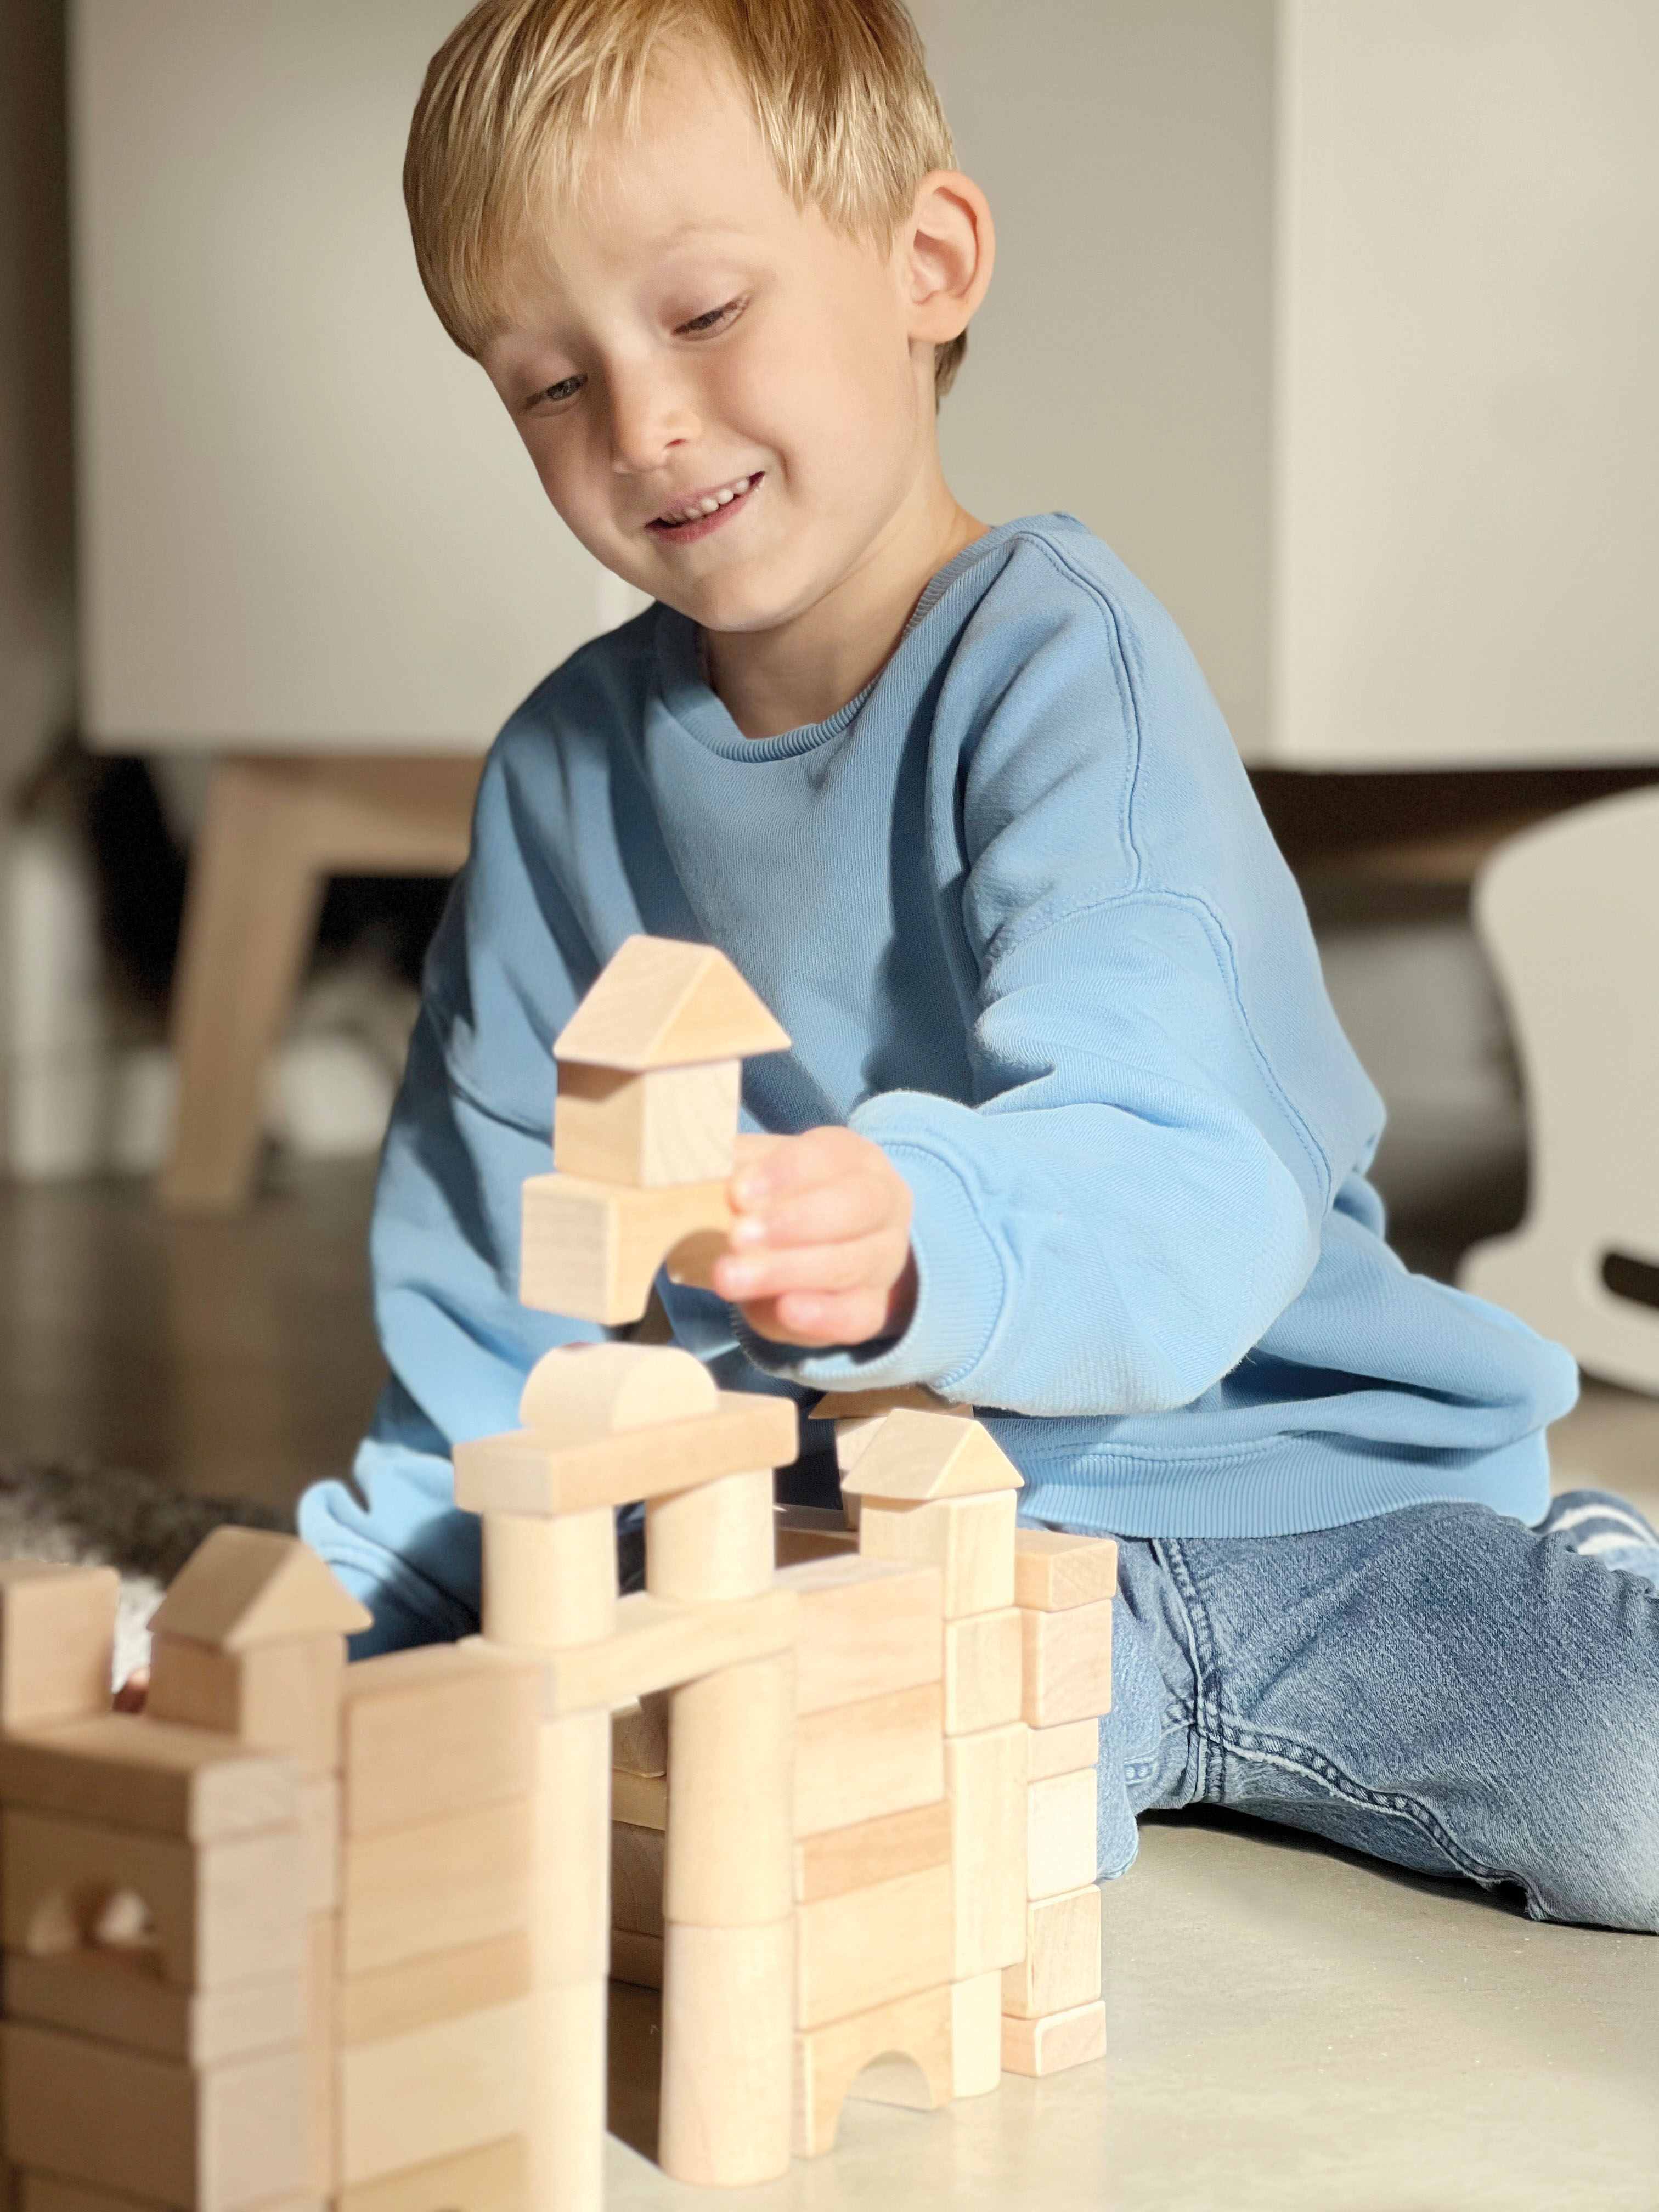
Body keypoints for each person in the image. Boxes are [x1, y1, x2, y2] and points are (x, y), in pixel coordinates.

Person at [298, 0, 1658, 1933]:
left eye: (704, 315)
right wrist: (365, 1630)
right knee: (713, 1833)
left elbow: (1183, 1158)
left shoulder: (1059, 664)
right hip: (890, 1530)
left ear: (927, 265)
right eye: (550, 384)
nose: (641, 425)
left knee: (1631, 1786)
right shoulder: (559, 782)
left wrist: (922, 1235)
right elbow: (496, 1269)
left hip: (1303, 1506)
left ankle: (1587, 1563)